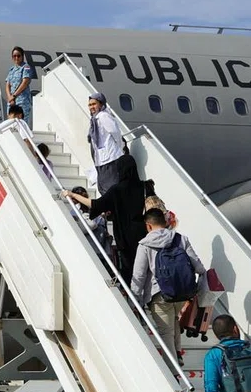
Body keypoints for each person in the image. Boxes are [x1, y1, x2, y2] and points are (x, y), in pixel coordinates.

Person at [130, 208, 207, 364]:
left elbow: (139, 275)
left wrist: (135, 299)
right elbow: (199, 267)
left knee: (166, 332)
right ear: (164, 222)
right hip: (183, 292)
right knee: (173, 322)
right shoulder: (181, 239)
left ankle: (173, 371)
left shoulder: (144, 245)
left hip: (159, 294)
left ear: (148, 225)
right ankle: (177, 353)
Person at [62, 154, 147, 284]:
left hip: (125, 236)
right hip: (145, 233)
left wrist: (72, 194)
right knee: (147, 269)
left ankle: (134, 299)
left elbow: (95, 205)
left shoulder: (117, 190)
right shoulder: (146, 187)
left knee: (131, 270)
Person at [86, 92, 123, 195]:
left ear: (101, 104)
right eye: (90, 105)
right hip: (100, 160)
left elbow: (116, 133)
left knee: (110, 188)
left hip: (110, 159)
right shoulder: (94, 119)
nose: (91, 107)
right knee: (103, 188)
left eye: (94, 104)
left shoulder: (104, 116)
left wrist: (119, 149)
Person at [6, 46, 34, 128]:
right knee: (11, 124)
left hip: (22, 101)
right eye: (14, 56)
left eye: (18, 55)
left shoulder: (26, 67)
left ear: (22, 56)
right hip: (12, 102)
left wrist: (14, 96)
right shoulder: (12, 70)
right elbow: (7, 85)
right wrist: (10, 98)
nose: (16, 58)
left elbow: (25, 82)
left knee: (22, 124)